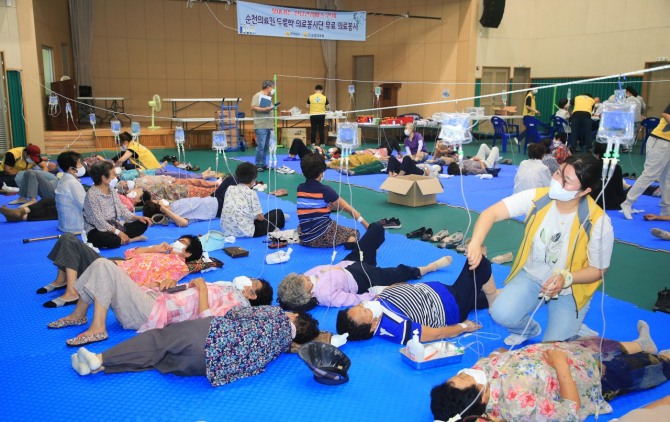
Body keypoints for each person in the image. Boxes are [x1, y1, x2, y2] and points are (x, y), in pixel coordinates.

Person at [467, 155, 613, 346]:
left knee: (550, 349)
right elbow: (491, 213)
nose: (557, 181)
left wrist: (567, 278)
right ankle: (528, 329)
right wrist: (476, 242)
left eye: (566, 181)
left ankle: (574, 328)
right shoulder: (538, 197)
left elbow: (599, 269)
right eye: (559, 172)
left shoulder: (598, 222)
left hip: (570, 290)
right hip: (532, 277)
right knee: (500, 313)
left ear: (584, 191)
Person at [430, 321, 670, 422]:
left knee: (594, 343)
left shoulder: (478, 376)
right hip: (591, 378)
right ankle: (661, 358)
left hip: (562, 352)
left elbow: (488, 362)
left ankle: (642, 344)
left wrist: (499, 355)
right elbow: (571, 413)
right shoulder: (518, 406)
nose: (465, 371)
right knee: (641, 369)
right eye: (463, 377)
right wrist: (561, 366)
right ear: (481, 397)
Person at [70, 306, 320, 387]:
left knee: (157, 340)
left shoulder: (276, 314)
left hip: (210, 336)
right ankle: (99, 368)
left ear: (294, 317)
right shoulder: (281, 347)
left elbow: (235, 314)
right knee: (160, 359)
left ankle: (100, 358)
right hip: (205, 366)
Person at [48, 257, 269, 346]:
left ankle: (98, 328)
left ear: (251, 295)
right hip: (156, 299)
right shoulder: (227, 287)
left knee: (105, 265)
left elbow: (209, 323)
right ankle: (78, 316)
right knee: (100, 264)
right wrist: (169, 283)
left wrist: (201, 288)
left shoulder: (238, 305)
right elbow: (188, 294)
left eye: (252, 283)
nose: (247, 280)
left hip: (153, 313)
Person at [277, 222, 453, 310]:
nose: (306, 277)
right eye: (305, 281)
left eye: (302, 276)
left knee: (377, 228)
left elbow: (326, 269)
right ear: (307, 294)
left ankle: (371, 256)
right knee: (399, 273)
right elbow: (354, 299)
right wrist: (374, 294)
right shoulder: (325, 296)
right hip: (364, 278)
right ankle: (430, 267)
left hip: (351, 262)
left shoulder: (305, 276)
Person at [335, 257, 497, 344]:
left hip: (442, 291)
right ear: (373, 326)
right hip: (452, 303)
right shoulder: (396, 328)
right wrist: (463, 327)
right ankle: (493, 299)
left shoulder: (375, 306)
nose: (365, 304)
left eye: (359, 305)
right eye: (364, 310)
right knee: (478, 262)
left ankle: (494, 296)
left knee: (478, 297)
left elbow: (397, 289)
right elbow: (436, 334)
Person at [37, 232, 204, 308]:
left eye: (182, 242)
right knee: (67, 238)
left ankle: (72, 291)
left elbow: (168, 281)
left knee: (70, 241)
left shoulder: (179, 265)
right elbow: (129, 253)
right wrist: (154, 248)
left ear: (187, 252)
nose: (177, 242)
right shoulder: (161, 251)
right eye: (178, 239)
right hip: (116, 263)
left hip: (115, 273)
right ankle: (61, 281)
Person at [296, 153, 368, 247]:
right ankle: (351, 242)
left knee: (303, 225)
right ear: (321, 172)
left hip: (305, 238)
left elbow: (311, 207)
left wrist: (330, 208)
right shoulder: (325, 190)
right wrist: (367, 226)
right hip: (322, 236)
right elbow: (348, 209)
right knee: (354, 232)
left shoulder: (300, 188)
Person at [0, 151, 86, 228]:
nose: (82, 166)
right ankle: (20, 212)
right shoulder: (70, 182)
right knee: (47, 201)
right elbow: (84, 205)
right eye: (79, 164)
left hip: (73, 213)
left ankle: (19, 216)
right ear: (72, 169)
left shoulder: (69, 180)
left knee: (52, 209)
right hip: (73, 213)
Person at [83, 161, 151, 249]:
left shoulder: (111, 191)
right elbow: (99, 222)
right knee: (112, 240)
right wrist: (119, 233)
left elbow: (122, 210)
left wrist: (137, 218)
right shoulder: (92, 195)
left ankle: (122, 239)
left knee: (143, 223)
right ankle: (129, 239)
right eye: (112, 174)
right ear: (104, 178)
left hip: (115, 225)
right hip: (97, 228)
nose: (115, 176)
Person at [621, 102, 670, 219]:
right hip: (660, 141)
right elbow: (666, 114)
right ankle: (627, 203)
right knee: (650, 174)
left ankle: (666, 209)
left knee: (667, 178)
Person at [220, 162, 285, 238]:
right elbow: (260, 218)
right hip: (247, 232)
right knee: (278, 213)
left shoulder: (230, 188)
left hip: (226, 229)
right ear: (253, 179)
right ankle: (279, 224)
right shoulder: (251, 193)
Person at [592, 142, 628, 210]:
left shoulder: (591, 167)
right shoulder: (617, 168)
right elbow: (619, 191)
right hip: (614, 203)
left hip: (595, 201)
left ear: (597, 154)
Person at [251, 80, 277, 172]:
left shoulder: (268, 97)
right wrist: (264, 109)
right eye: (272, 87)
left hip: (268, 124)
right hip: (261, 124)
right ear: (268, 87)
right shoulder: (258, 95)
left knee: (266, 145)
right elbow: (253, 107)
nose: (273, 89)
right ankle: (258, 164)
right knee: (261, 145)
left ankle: (263, 163)